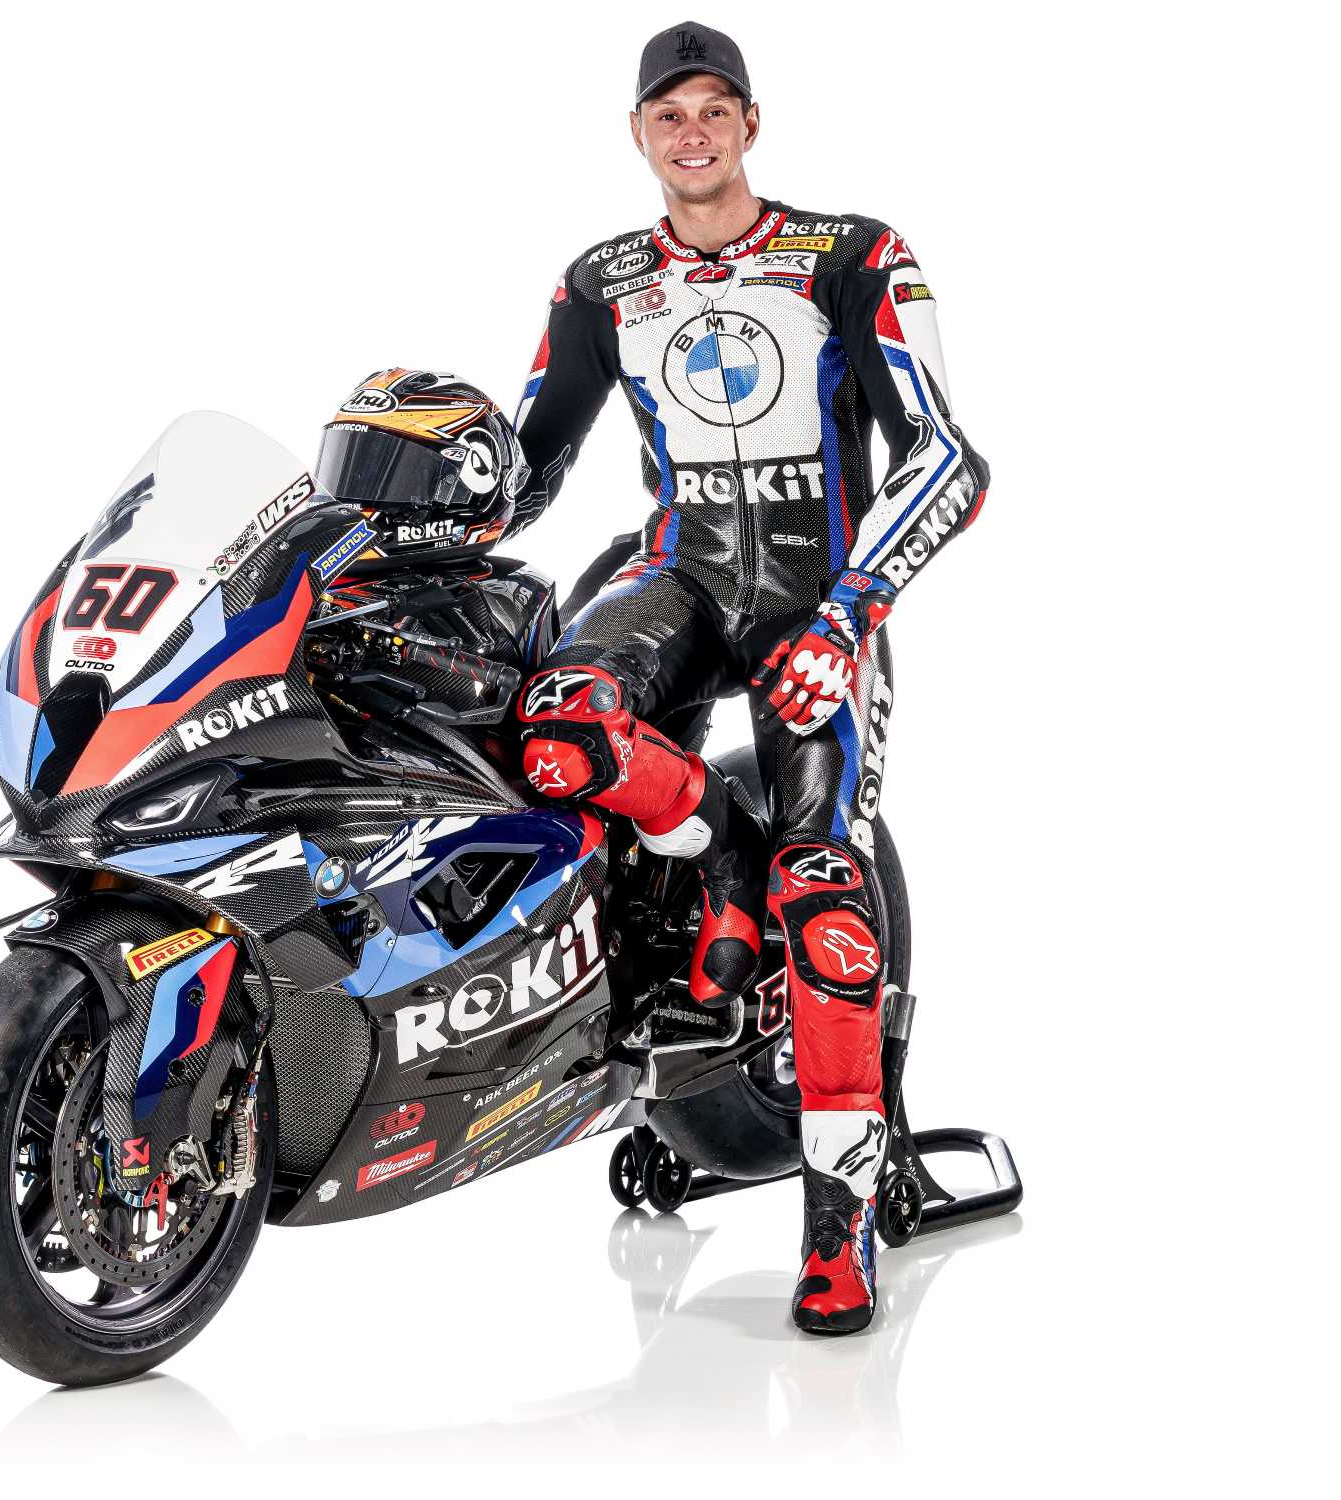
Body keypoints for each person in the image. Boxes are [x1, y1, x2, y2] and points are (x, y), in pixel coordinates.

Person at [508, 21, 991, 1335]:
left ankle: (840, 1236)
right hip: (678, 577)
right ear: (637, 135)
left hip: (816, 594)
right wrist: (385, 509)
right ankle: (722, 861)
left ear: (751, 124)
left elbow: (947, 458)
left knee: (825, 900)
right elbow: (527, 468)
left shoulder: (852, 253)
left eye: (714, 110)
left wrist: (851, 611)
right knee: (557, 732)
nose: (693, 134)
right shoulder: (602, 282)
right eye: (669, 115)